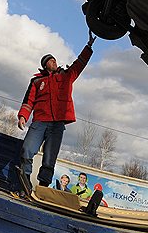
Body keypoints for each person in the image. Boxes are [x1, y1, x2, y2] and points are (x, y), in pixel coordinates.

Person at [17, 34, 95, 188]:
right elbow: (28, 101)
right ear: (45, 65)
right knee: (27, 149)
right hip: (39, 122)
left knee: (49, 159)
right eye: (51, 61)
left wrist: (88, 47)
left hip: (57, 125)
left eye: (55, 60)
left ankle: (43, 188)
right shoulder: (37, 81)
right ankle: (24, 184)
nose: (54, 62)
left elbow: (80, 63)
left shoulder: (66, 75)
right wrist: (22, 116)